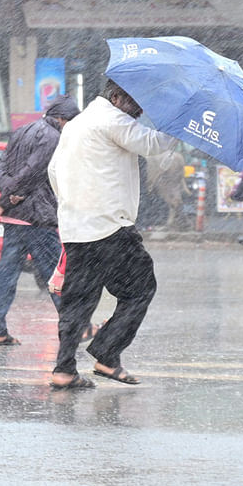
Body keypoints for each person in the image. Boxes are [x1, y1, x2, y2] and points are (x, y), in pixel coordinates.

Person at [46, 79, 176, 389]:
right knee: (140, 288)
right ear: (116, 97)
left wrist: (71, 204)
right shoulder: (112, 118)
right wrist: (179, 124)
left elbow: (53, 171)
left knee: (78, 300)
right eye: (134, 103)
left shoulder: (77, 125)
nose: (138, 110)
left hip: (77, 229)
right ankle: (107, 354)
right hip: (109, 227)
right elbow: (154, 145)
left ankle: (64, 369)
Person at [0, 95, 79, 346]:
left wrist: (7, 197)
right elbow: (31, 175)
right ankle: (74, 328)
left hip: (15, 220)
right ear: (61, 119)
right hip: (37, 218)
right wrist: (10, 198)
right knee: (58, 276)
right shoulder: (53, 138)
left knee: (6, 276)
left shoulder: (22, 130)